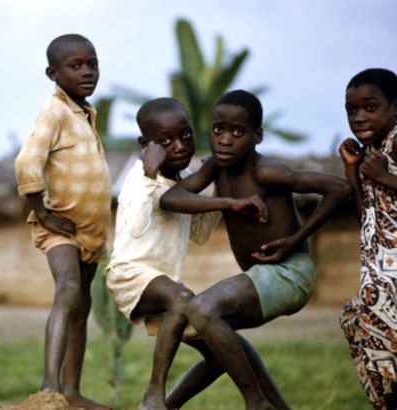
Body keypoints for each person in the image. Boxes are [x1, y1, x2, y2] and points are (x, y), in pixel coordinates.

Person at [160, 90, 351, 410]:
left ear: (257, 136)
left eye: (238, 132)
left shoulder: (266, 172)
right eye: (218, 129)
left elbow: (339, 188)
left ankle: (255, 403)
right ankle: (169, 406)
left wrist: (295, 239)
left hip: (291, 272)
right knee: (201, 332)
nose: (224, 139)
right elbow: (171, 198)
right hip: (261, 275)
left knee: (204, 309)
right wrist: (229, 203)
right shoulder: (216, 169)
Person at [106, 98, 290, 410]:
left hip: (164, 284)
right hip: (130, 274)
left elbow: (199, 233)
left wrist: (218, 185)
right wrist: (151, 175)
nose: (179, 146)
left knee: (228, 347)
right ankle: (153, 395)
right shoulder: (139, 178)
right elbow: (135, 227)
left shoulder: (186, 180)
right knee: (181, 298)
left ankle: (175, 405)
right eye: (165, 141)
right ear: (145, 144)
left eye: (186, 136)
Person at [14, 34, 111, 408]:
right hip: (61, 227)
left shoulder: (85, 112)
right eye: (76, 66)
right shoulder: (54, 112)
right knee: (68, 290)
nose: (87, 71)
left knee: (81, 305)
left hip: (90, 232)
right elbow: (26, 162)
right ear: (52, 73)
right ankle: (49, 390)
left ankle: (71, 391)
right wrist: (42, 213)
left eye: (92, 64)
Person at [339, 68, 397, 410]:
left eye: (370, 107)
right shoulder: (372, 153)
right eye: (351, 109)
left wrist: (386, 177)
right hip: (380, 274)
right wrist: (353, 172)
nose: (358, 117)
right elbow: (369, 218)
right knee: (360, 326)